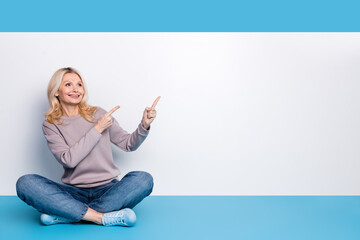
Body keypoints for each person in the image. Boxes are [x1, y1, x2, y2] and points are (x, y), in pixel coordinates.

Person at [16, 67, 160, 227]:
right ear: (56, 91)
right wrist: (97, 129)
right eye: (68, 85)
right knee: (25, 183)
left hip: (108, 190)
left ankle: (68, 214)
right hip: (72, 193)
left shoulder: (99, 113)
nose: (76, 89)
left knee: (143, 179)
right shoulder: (51, 125)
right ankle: (99, 217)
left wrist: (144, 125)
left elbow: (128, 144)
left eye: (79, 85)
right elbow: (69, 160)